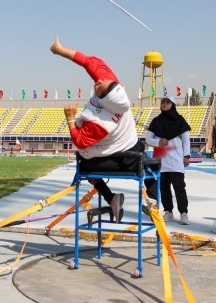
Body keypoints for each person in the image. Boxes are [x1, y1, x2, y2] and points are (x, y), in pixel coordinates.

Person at [50, 35, 158, 222]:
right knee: (149, 163)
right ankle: (136, 198)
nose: (98, 83)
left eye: (101, 88)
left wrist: (69, 118)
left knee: (85, 166)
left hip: (117, 154)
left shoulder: (101, 123)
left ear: (106, 100)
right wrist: (61, 50)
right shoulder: (112, 85)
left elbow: (80, 141)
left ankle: (138, 201)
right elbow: (87, 62)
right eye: (103, 82)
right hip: (130, 144)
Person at [145, 96, 191, 224]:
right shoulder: (156, 121)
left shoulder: (180, 121)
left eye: (168, 102)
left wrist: (186, 156)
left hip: (176, 160)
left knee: (179, 188)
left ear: (173, 104)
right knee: (164, 188)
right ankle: (168, 212)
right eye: (163, 102)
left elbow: (186, 140)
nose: (165, 104)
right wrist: (158, 141)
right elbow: (148, 139)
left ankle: (183, 213)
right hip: (161, 160)